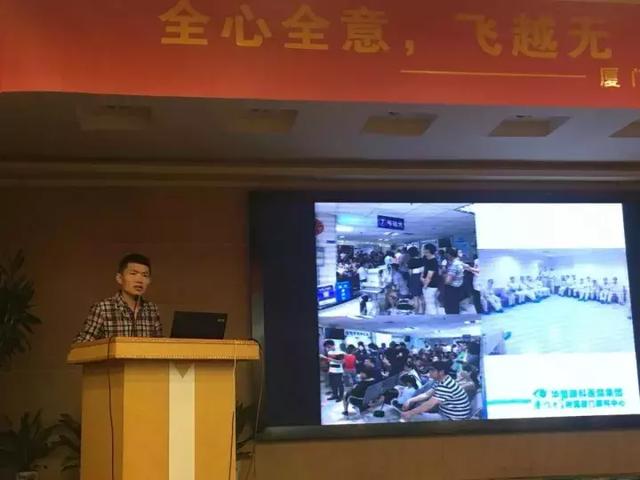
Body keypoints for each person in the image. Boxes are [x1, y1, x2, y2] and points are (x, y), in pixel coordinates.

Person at [74, 253, 162, 343]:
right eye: (133, 273)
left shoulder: (152, 309)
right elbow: (82, 345)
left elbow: (160, 345)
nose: (139, 280)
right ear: (119, 278)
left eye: (145, 275)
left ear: (149, 281)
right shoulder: (103, 308)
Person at [400, 361, 471, 421]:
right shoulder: (442, 380)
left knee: (412, 417)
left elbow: (429, 404)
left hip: (452, 418)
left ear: (441, 372)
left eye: (432, 370)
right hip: (447, 412)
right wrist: (410, 400)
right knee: (418, 409)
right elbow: (426, 394)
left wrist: (410, 413)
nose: (429, 372)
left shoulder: (445, 385)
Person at [443, 247, 465, 314]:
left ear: (449, 255)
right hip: (458, 288)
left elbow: (448, 281)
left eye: (446, 254)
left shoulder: (454, 265)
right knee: (455, 307)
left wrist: (444, 276)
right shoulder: (459, 263)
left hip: (451, 289)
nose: (445, 256)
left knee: (450, 309)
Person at [421, 243, 441, 315]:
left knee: (430, 303)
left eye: (424, 249)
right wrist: (422, 277)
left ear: (428, 250)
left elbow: (429, 276)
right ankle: (433, 316)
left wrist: (425, 285)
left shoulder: (433, 261)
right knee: (431, 302)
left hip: (431, 285)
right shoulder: (426, 258)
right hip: (428, 283)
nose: (423, 251)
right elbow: (424, 270)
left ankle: (433, 318)